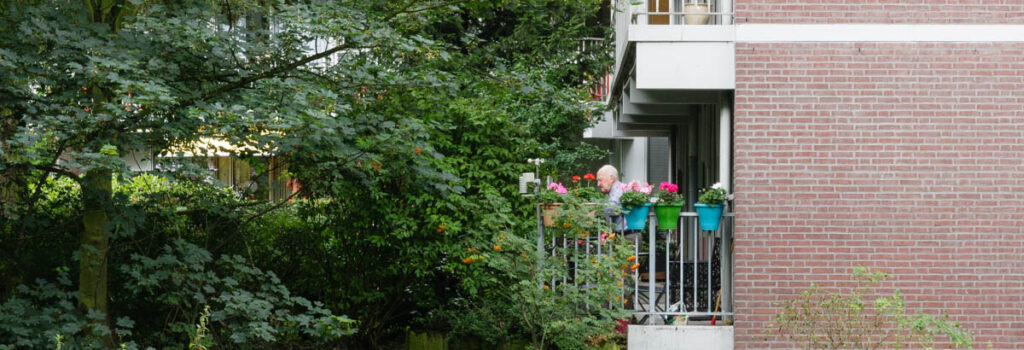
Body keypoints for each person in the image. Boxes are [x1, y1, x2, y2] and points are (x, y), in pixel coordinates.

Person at [597, 165, 624, 230]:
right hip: (622, 234)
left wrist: (595, 210)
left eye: (600, 180)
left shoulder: (618, 189)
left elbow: (611, 207)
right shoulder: (614, 191)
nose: (598, 184)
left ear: (611, 178)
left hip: (626, 234)